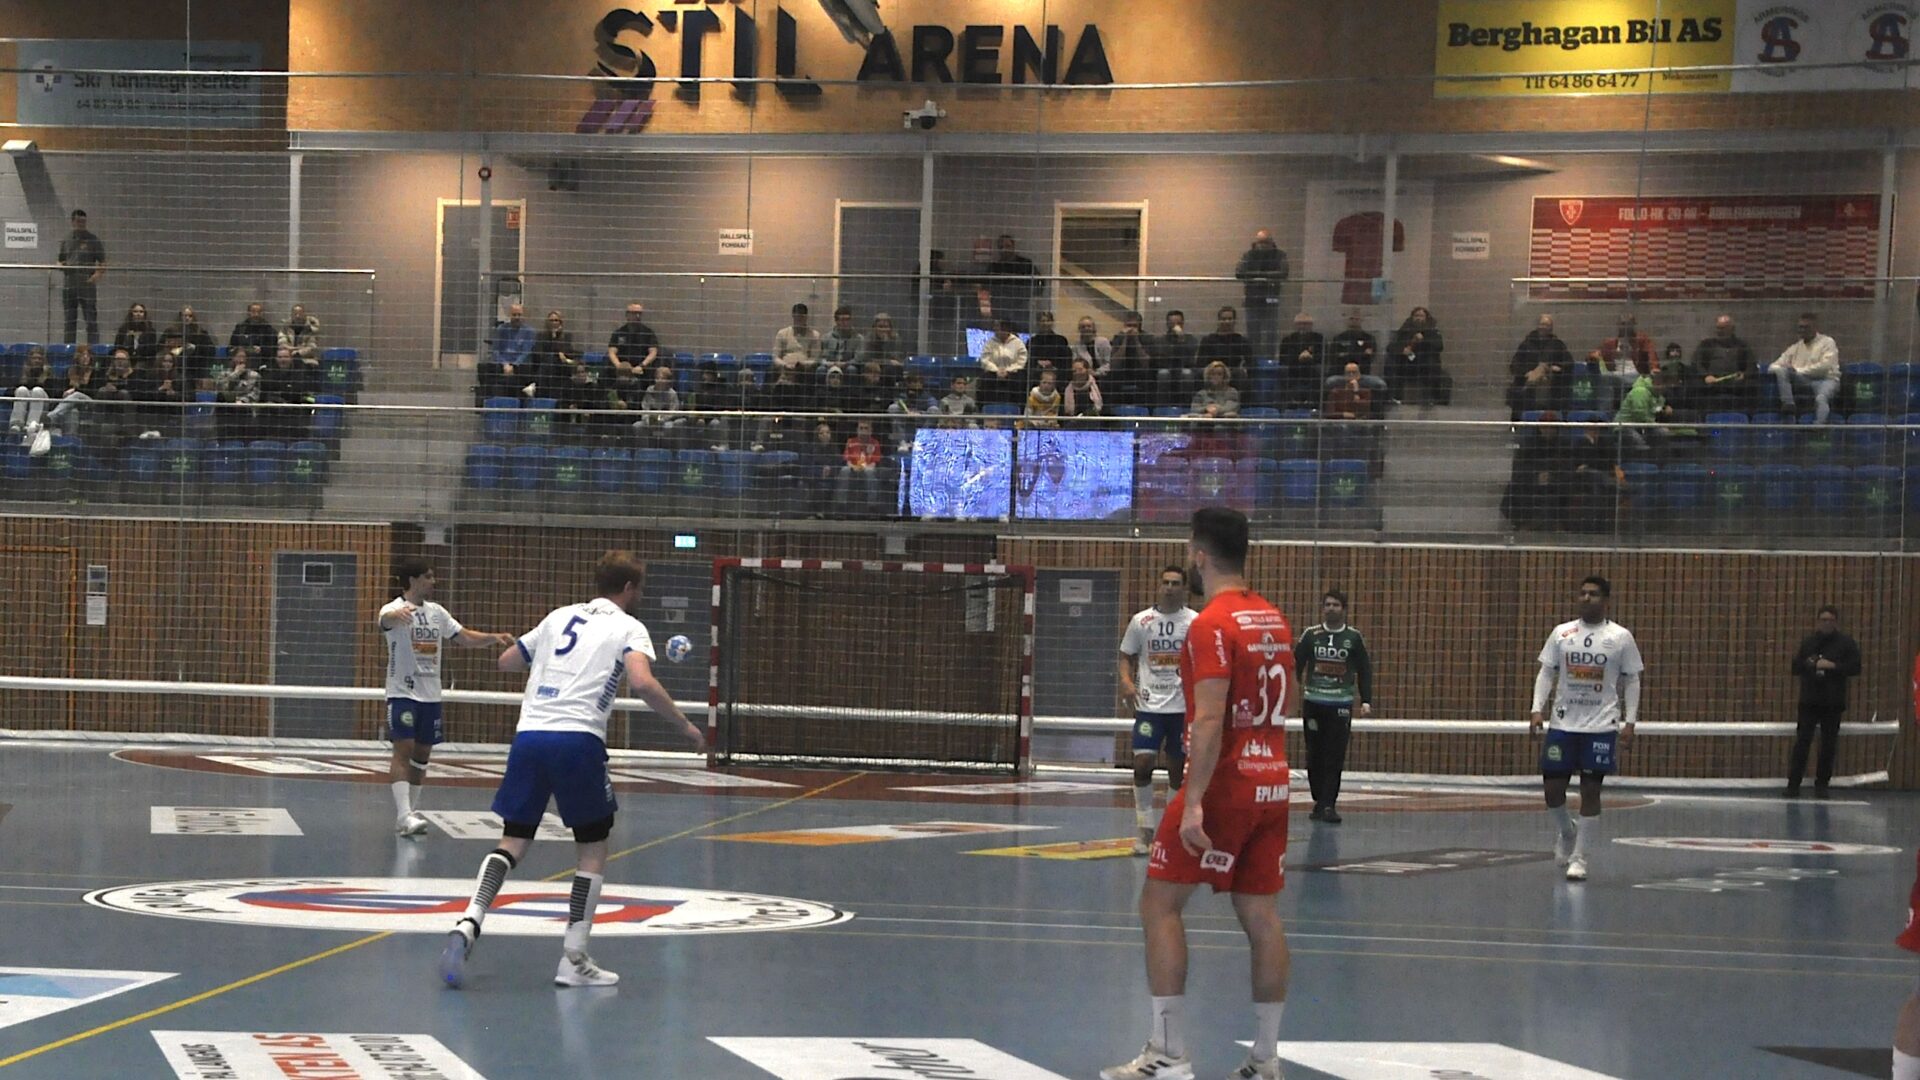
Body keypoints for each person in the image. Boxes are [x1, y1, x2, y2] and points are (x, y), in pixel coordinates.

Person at [440, 551, 705, 989]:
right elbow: (641, 682)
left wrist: (548, 663)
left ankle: (469, 921)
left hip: (530, 737)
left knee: (513, 840)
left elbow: (507, 661)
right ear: (628, 588)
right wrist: (685, 726)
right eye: (639, 588)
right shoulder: (629, 627)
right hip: (578, 739)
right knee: (592, 847)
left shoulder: (558, 616)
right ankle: (574, 958)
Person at [1103, 508, 1295, 1080]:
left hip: (1224, 786)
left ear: (1199, 555)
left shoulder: (1211, 623)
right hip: (1273, 781)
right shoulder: (1273, 617)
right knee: (1260, 914)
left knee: (1159, 905)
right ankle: (1266, 1058)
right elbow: (1286, 700)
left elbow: (1209, 719)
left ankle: (1169, 1053)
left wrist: (1192, 802)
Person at [378, 559, 515, 837]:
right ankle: (403, 814)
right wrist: (396, 616)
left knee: (422, 754)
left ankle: (409, 815)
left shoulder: (437, 612)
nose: (433, 581)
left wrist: (493, 637)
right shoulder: (393, 609)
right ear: (413, 580)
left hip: (431, 695)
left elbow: (463, 636)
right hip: (403, 692)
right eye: (428, 577)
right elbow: (384, 621)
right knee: (403, 748)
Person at [1528, 575, 1643, 883]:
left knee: (1590, 790)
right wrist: (1537, 709)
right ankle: (1567, 831)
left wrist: (1630, 722)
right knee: (1552, 790)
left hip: (1601, 725)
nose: (1586, 598)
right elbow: (1546, 672)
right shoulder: (1562, 633)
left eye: (1593, 594)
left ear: (1606, 601)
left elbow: (1632, 679)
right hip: (1563, 723)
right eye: (1582, 593)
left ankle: (1579, 858)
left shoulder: (1620, 637)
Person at [1117, 567, 1199, 856]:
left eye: (1175, 583)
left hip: (1181, 708)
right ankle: (1144, 829)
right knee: (1142, 763)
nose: (1169, 588)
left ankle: (1170, 831)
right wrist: (1127, 683)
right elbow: (1126, 655)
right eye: (1165, 582)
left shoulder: (1195, 622)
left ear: (1184, 588)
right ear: (1159, 586)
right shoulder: (1141, 621)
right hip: (1149, 707)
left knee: (1177, 770)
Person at [1295, 590, 1374, 824]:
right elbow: (1295, 665)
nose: (1331, 608)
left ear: (1344, 609)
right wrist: (1290, 695)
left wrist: (1366, 700)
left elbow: (1364, 670)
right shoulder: (1311, 635)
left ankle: (1329, 804)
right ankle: (1319, 799)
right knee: (1314, 754)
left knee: (1335, 754)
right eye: (1327, 604)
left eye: (1336, 605)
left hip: (1340, 704)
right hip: (1314, 702)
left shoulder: (1353, 637)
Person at [1785, 605, 1862, 799]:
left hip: (1832, 702)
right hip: (1809, 701)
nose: (1827, 623)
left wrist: (1833, 666)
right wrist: (1810, 664)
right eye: (1823, 619)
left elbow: (1855, 667)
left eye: (1830, 620)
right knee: (1802, 743)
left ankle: (1822, 785)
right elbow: (1796, 667)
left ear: (1836, 622)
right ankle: (1793, 784)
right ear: (1818, 621)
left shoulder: (1846, 643)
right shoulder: (1809, 642)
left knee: (1828, 745)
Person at [1768, 312, 1841, 424]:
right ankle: (1789, 404)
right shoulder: (1795, 347)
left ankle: (1819, 425)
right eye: (1800, 327)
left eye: (1806, 327)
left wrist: (1798, 371)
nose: (1802, 330)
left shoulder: (1827, 342)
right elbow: (1772, 367)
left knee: (1821, 399)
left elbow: (1824, 367)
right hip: (1804, 380)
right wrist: (1785, 368)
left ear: (1815, 327)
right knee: (1781, 370)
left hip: (1826, 379)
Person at [1508, 315, 1573, 420]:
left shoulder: (1558, 345)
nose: (1544, 327)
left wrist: (1558, 368)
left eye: (1547, 325)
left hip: (1551, 383)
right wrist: (1526, 373)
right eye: (1542, 324)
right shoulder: (1526, 345)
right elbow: (1514, 365)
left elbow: (1569, 363)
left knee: (1543, 369)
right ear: (1538, 326)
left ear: (1551, 328)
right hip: (1528, 384)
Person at [1234, 229, 1288, 358]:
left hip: (1271, 298)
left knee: (1271, 332)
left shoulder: (1280, 255)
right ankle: (1253, 359)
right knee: (1252, 332)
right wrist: (1267, 276)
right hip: (1252, 298)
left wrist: (1255, 276)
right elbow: (1239, 273)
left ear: (1271, 242)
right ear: (1256, 242)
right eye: (1260, 242)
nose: (1263, 245)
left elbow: (1283, 273)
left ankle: (1269, 359)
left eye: (1266, 242)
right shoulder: (1248, 255)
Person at [57, 209, 106, 346]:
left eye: (84, 221)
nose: (81, 224)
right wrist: (61, 266)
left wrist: (96, 276)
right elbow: (60, 260)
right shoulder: (66, 240)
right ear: (73, 222)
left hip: (87, 285)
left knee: (91, 320)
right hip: (69, 285)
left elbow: (102, 262)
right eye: (79, 221)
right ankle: (68, 348)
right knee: (69, 320)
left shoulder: (93, 240)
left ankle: (93, 348)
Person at [1695, 314, 1758, 411]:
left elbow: (1752, 366)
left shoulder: (1742, 346)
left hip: (1736, 387)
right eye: (1718, 328)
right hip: (1712, 387)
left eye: (1723, 328)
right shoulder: (1706, 345)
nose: (1719, 331)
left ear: (1732, 329)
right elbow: (1697, 363)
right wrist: (1705, 376)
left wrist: (1744, 375)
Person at [1386, 307, 1447, 405]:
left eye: (1421, 316)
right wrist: (1402, 350)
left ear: (1426, 318)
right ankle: (1394, 397)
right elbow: (1390, 347)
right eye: (1416, 316)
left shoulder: (1432, 331)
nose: (1418, 318)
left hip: (1425, 364)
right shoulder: (1404, 330)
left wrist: (1424, 340)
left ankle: (1431, 399)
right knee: (1392, 362)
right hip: (1407, 364)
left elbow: (1439, 347)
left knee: (1433, 363)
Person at [1594, 313, 1656, 396]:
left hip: (1635, 376)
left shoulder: (1642, 340)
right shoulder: (1610, 343)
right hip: (1617, 376)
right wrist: (1594, 356)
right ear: (1618, 325)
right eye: (1623, 324)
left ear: (1633, 325)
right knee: (1605, 379)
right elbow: (1595, 354)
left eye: (1629, 324)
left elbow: (1651, 355)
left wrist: (1654, 368)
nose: (1626, 327)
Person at [483, 303, 536, 401]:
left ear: (523, 315)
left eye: (519, 315)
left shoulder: (529, 332)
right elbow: (496, 350)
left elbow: (526, 352)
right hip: (502, 365)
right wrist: (505, 364)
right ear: (509, 315)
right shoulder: (501, 329)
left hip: (520, 366)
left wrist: (514, 365)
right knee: (484, 368)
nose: (517, 317)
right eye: (514, 315)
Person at [1275, 312, 1328, 408]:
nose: (1303, 326)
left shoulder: (1319, 339)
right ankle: (1288, 403)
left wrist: (1311, 357)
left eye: (1306, 324)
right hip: (1294, 369)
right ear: (1295, 325)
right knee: (1283, 370)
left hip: (1312, 368)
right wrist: (1298, 358)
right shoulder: (1288, 339)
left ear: (1311, 325)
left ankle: (1315, 404)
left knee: (1319, 369)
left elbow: (1325, 357)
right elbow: (1283, 359)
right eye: (1300, 324)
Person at [988, 234, 1039, 331]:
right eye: (1001, 247)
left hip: (1021, 308)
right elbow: (987, 287)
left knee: (1021, 335)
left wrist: (1035, 297)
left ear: (1013, 247)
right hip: (1001, 309)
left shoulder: (1025, 264)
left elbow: (1039, 281)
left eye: (1007, 246)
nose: (1004, 249)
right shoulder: (994, 267)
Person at [837, 419, 885, 515]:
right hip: (853, 468)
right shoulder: (851, 441)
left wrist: (865, 467)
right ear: (857, 430)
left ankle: (872, 506)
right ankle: (841, 505)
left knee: (870, 472)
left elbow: (875, 462)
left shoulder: (874, 443)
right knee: (844, 470)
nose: (863, 431)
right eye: (861, 428)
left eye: (866, 428)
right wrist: (853, 466)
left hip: (868, 468)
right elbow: (847, 460)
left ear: (871, 430)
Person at [977, 319, 1029, 406]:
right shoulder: (990, 343)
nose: (995, 329)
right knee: (985, 380)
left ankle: (1017, 408)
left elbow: (1021, 360)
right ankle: (987, 407)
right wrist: (996, 370)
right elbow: (985, 359)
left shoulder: (1018, 343)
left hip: (1013, 373)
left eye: (998, 327)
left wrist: (1008, 371)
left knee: (1020, 381)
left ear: (1006, 328)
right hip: (994, 372)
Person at [606, 302, 660, 383]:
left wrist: (642, 366)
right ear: (627, 315)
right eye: (634, 313)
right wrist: (620, 366)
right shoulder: (619, 333)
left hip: (641, 369)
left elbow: (653, 352)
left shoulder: (648, 333)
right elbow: (612, 352)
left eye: (639, 313)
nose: (637, 316)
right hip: (622, 369)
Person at [530, 311, 578, 395]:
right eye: (551, 320)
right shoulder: (541, 336)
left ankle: (535, 385)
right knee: (550, 358)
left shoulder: (566, 337)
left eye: (556, 320)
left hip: (561, 367)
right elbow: (538, 353)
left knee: (552, 358)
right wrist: (553, 337)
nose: (553, 323)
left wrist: (555, 338)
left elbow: (568, 353)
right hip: (545, 366)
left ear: (560, 323)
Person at [773, 303, 822, 373]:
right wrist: (784, 365)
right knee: (771, 370)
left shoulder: (815, 335)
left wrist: (802, 364)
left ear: (806, 317)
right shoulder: (782, 333)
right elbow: (776, 357)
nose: (799, 318)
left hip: (804, 369)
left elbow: (815, 358)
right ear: (793, 316)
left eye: (802, 316)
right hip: (785, 367)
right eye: (797, 315)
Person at [1028, 310, 1072, 376]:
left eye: (1048, 321)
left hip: (1056, 376)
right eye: (1042, 321)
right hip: (1036, 375)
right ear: (1038, 323)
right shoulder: (1032, 341)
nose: (1045, 323)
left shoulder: (1061, 340)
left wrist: (1052, 364)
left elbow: (1065, 363)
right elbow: (1029, 361)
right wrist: (1037, 363)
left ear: (1052, 322)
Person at [822, 305, 864, 369]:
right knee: (821, 369)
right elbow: (822, 357)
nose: (846, 323)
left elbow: (858, 359)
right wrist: (828, 364)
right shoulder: (827, 337)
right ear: (836, 321)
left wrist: (845, 364)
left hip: (848, 366)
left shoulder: (858, 338)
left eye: (848, 319)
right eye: (842, 320)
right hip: (830, 366)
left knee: (851, 369)